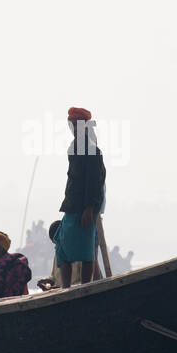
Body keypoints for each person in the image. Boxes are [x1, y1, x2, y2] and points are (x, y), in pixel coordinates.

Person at [56, 107, 106, 287]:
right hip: (71, 204)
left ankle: (84, 287)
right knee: (61, 245)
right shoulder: (75, 147)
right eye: (72, 124)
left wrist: (90, 208)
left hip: (84, 207)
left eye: (78, 124)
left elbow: (95, 181)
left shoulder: (91, 149)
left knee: (86, 252)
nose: (74, 127)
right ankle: (66, 288)